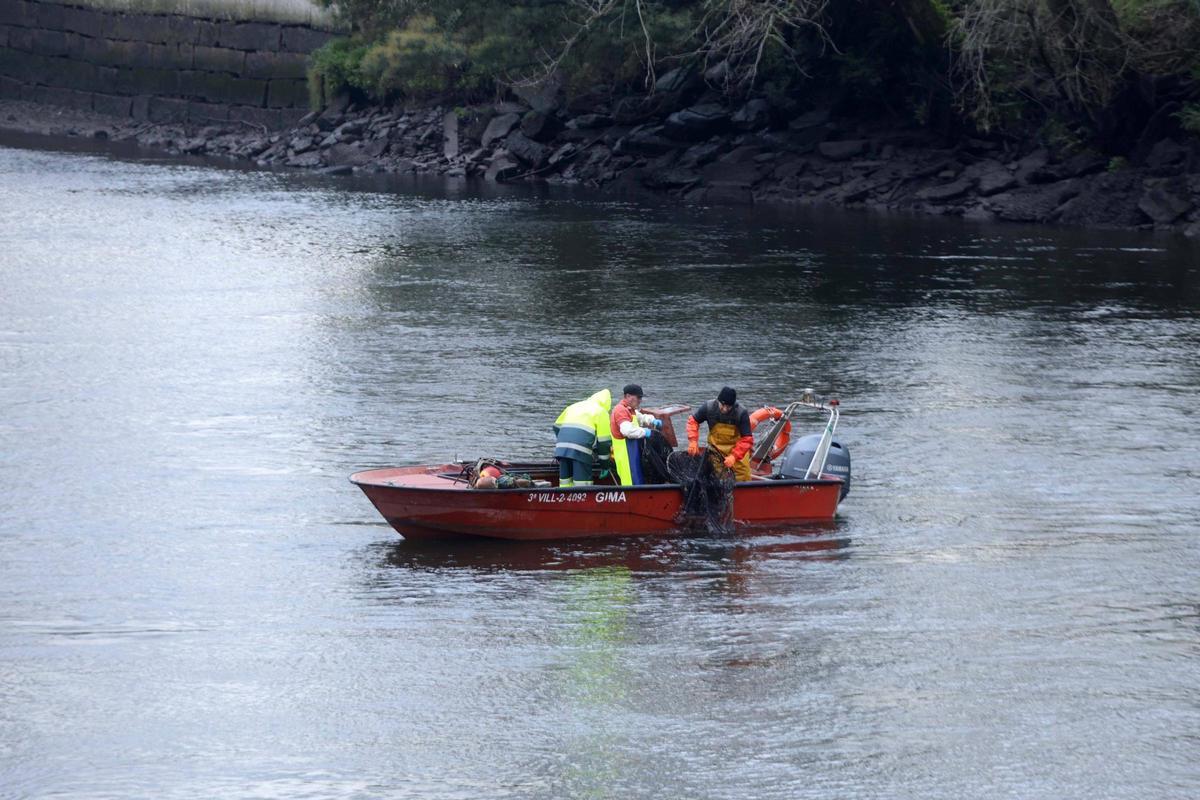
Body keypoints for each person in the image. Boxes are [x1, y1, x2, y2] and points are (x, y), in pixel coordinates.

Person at [686, 386, 754, 482]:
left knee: (742, 479)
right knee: (717, 480)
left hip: (738, 457)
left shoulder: (741, 412)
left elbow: (747, 439)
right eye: (723, 405)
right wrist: (693, 441)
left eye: (729, 407)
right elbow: (693, 421)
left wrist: (734, 456)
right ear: (718, 401)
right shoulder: (708, 407)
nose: (725, 409)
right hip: (716, 454)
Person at [553, 389, 613, 488]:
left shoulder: (573, 406)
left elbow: (556, 426)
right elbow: (604, 443)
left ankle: (564, 499)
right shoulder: (601, 412)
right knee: (582, 484)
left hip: (561, 448)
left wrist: (565, 443)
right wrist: (605, 466)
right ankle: (582, 501)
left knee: (565, 481)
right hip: (581, 450)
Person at [609, 383, 662, 486]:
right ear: (628, 396)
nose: (640, 400)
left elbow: (641, 417)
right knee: (630, 481)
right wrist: (645, 432)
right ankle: (632, 500)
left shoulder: (630, 409)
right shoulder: (620, 410)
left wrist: (652, 420)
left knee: (637, 477)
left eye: (640, 398)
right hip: (625, 454)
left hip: (632, 452)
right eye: (638, 397)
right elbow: (627, 431)